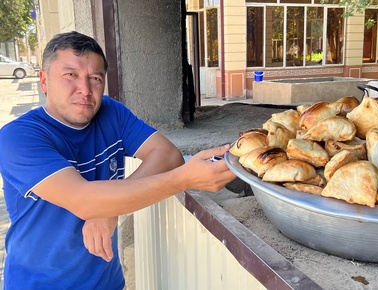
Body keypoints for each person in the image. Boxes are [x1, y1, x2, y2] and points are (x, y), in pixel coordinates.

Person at [0, 31, 236, 289]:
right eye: (70, 75)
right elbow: (84, 201)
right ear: (44, 80)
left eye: (95, 78)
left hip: (107, 281)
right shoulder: (17, 138)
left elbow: (167, 154)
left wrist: (110, 209)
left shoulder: (111, 112)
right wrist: (184, 179)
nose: (85, 90)